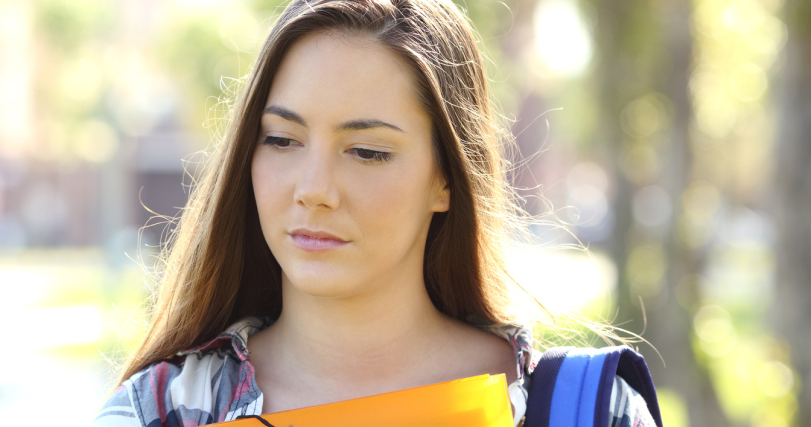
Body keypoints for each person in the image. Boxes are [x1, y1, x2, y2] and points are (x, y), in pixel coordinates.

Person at [93, 0, 659, 426]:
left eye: (367, 152)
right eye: (282, 140)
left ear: (446, 178)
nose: (314, 190)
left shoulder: (588, 410)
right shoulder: (159, 411)